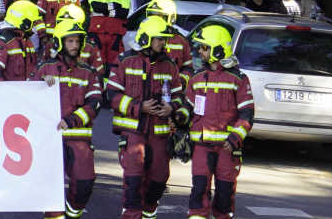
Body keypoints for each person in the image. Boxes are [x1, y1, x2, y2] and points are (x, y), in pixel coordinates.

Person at [106, 17, 184, 219]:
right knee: (133, 182)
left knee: (159, 181)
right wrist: (139, 107)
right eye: (160, 39)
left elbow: (179, 95)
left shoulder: (169, 64)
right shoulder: (124, 60)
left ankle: (148, 213)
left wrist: (171, 108)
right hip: (133, 133)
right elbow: (112, 95)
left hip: (160, 134)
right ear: (147, 38)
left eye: (164, 39)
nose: (164, 43)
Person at [23, 20, 101, 219]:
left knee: (85, 183)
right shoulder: (43, 68)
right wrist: (39, 85)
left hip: (79, 137)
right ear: (59, 42)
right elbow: (25, 97)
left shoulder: (89, 72)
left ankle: (73, 215)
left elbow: (95, 104)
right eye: (70, 41)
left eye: (77, 41)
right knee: (50, 187)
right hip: (50, 140)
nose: (75, 45)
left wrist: (72, 120)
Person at [180, 26, 254, 219]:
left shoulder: (238, 79)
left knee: (224, 197)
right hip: (201, 148)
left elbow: (247, 114)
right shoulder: (196, 78)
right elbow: (188, 106)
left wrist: (235, 138)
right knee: (198, 193)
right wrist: (178, 117)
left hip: (227, 150)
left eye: (204, 47)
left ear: (218, 50)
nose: (199, 51)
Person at [87, 0, 131, 76]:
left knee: (114, 68)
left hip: (115, 36)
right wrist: (114, 6)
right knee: (97, 67)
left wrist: (106, 10)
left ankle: (111, 91)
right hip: (98, 34)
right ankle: (98, 91)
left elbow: (124, 13)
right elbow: (96, 7)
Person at [0, 0, 41, 82]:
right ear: (25, 23)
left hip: (28, 93)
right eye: (33, 22)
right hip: (9, 94)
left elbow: (34, 73)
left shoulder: (29, 43)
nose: (35, 25)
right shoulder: (2, 43)